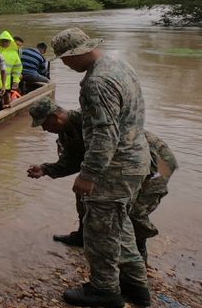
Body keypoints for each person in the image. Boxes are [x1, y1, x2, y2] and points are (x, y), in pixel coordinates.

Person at [51, 27, 150, 308]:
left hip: (114, 167)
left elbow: (105, 134)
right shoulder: (118, 64)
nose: (66, 65)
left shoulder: (97, 82)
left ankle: (104, 289)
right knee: (121, 226)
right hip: (134, 159)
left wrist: (88, 174)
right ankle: (136, 285)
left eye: (66, 59)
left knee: (99, 229)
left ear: (78, 53)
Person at [26, 97, 176, 264]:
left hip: (159, 163)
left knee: (134, 212)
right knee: (84, 191)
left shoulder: (93, 120)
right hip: (125, 164)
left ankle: (138, 256)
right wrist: (45, 169)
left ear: (55, 117)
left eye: (43, 123)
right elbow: (73, 161)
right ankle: (83, 238)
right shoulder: (66, 133)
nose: (44, 129)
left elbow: (111, 152)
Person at [0, 31, 22, 111]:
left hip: (7, 80)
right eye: (2, 41)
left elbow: (17, 68)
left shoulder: (14, 53)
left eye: (7, 41)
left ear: (10, 42)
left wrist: (16, 80)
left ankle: (8, 110)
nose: (4, 43)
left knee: (7, 95)